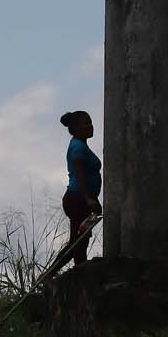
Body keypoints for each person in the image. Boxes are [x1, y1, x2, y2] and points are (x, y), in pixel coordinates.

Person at [59, 111, 102, 267]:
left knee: (77, 240)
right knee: (78, 241)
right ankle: (78, 271)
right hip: (78, 200)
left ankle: (53, 273)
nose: (90, 126)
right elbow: (80, 175)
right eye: (86, 123)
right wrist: (90, 199)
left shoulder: (81, 146)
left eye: (90, 122)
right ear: (76, 128)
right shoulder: (78, 148)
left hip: (79, 200)